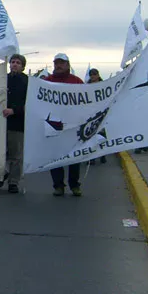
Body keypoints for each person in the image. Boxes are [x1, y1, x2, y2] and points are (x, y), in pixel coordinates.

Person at [45, 53, 84, 196]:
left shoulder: (77, 82)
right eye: (56, 63)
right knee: (55, 157)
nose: (58, 65)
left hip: (72, 126)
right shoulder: (47, 81)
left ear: (68, 64)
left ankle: (75, 185)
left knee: (74, 157)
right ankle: (58, 186)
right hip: (53, 126)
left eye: (62, 63)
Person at [0, 54, 28, 193]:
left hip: (17, 123)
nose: (14, 64)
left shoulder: (27, 82)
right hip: (0, 122)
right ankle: (1, 175)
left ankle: (14, 182)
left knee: (15, 155)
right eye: (12, 62)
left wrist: (14, 110)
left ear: (23, 66)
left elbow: (30, 104)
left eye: (18, 62)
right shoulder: (3, 80)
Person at [85, 68, 107, 165]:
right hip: (90, 114)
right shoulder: (86, 87)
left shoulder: (104, 85)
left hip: (101, 113)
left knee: (101, 135)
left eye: (94, 74)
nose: (93, 76)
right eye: (91, 74)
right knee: (90, 135)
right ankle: (91, 157)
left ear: (98, 75)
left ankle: (102, 155)